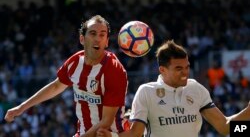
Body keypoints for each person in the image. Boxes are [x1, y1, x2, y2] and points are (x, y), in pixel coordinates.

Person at [4, 15, 128, 137]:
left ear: (106, 42)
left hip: (110, 134)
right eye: (93, 33)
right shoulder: (75, 62)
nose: (98, 39)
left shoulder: (114, 69)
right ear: (82, 39)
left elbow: (105, 122)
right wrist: (22, 107)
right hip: (83, 132)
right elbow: (56, 86)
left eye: (102, 35)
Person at [96, 40, 250, 137]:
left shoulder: (196, 89)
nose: (185, 72)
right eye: (178, 68)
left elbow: (224, 128)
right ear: (162, 70)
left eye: (187, 67)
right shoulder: (146, 92)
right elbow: (135, 134)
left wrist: (248, 113)